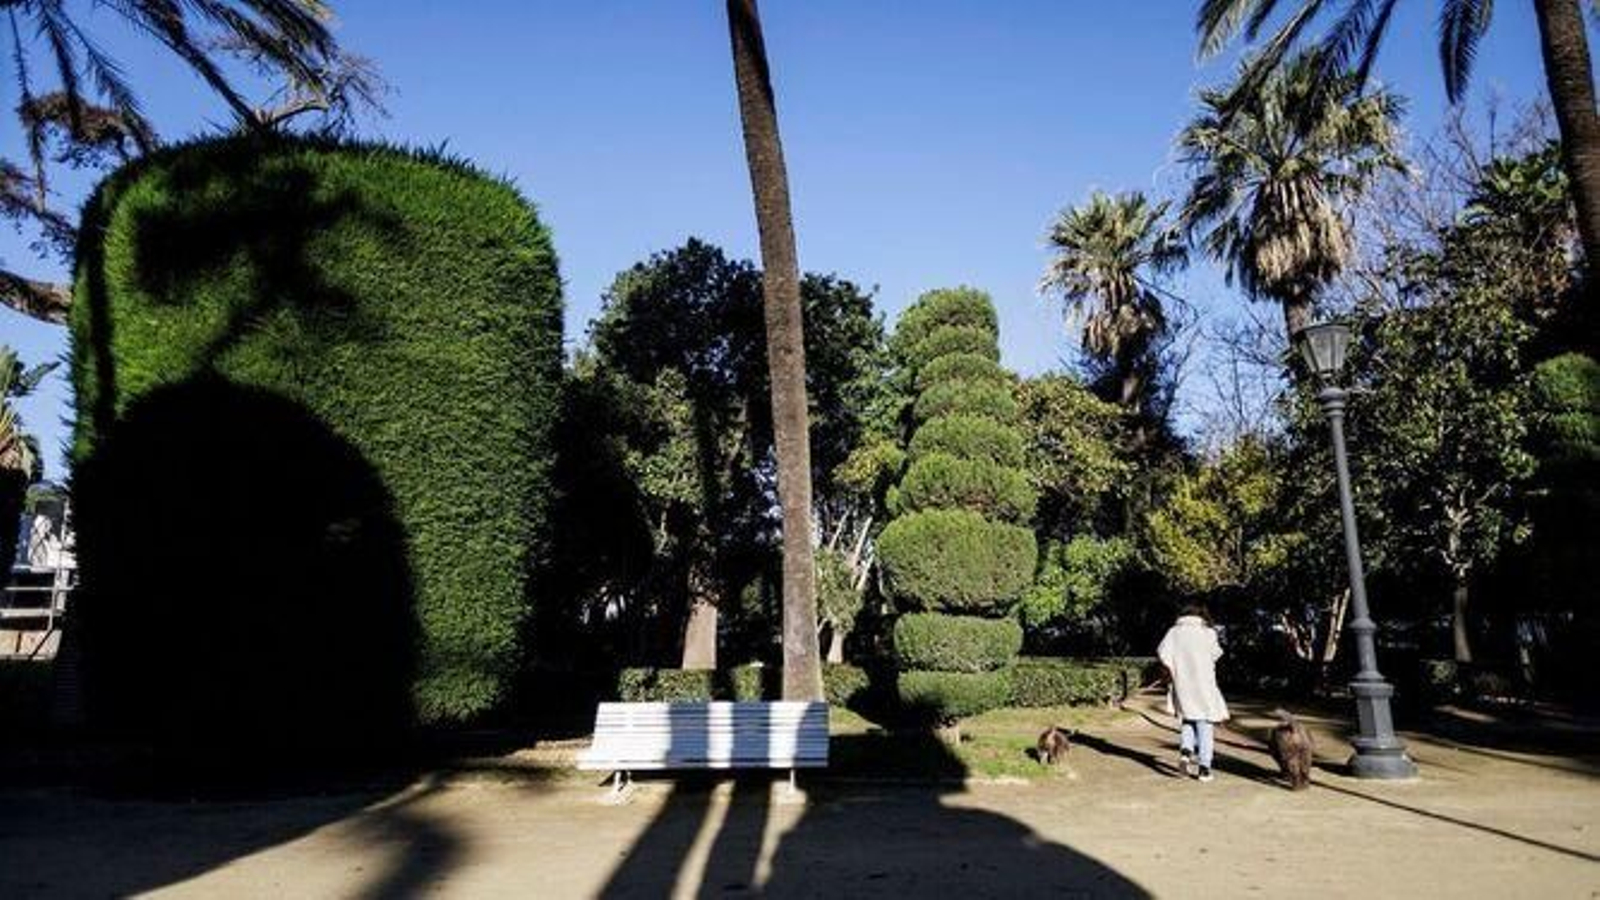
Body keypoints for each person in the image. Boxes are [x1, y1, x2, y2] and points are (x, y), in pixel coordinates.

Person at [1157, 604, 1228, 782]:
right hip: (1204, 684)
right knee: (1205, 723)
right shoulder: (1208, 632)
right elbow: (1216, 654)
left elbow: (1162, 653)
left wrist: (1174, 668)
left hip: (1183, 683)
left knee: (1188, 718)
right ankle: (1204, 768)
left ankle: (1185, 753)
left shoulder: (1174, 632)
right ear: (1201, 616)